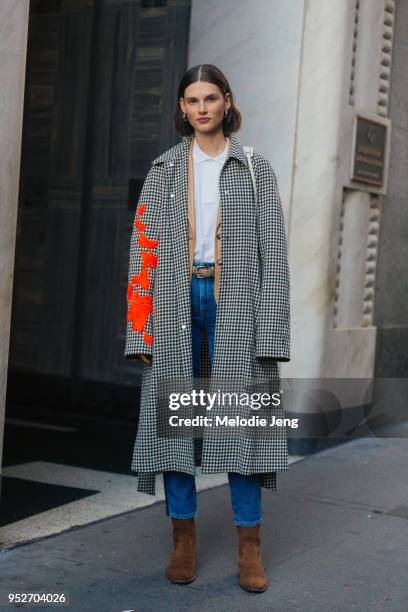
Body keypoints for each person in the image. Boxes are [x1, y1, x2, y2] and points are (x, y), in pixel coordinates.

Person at [124, 64, 290, 593]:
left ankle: (249, 548)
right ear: (182, 108)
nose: (201, 108)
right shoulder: (164, 169)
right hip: (176, 303)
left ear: (227, 102)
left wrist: (271, 333)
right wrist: (140, 329)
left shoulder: (255, 169)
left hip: (236, 304)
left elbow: (274, 255)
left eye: (210, 98)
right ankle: (183, 541)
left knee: (243, 423)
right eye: (191, 100)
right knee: (177, 422)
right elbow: (142, 251)